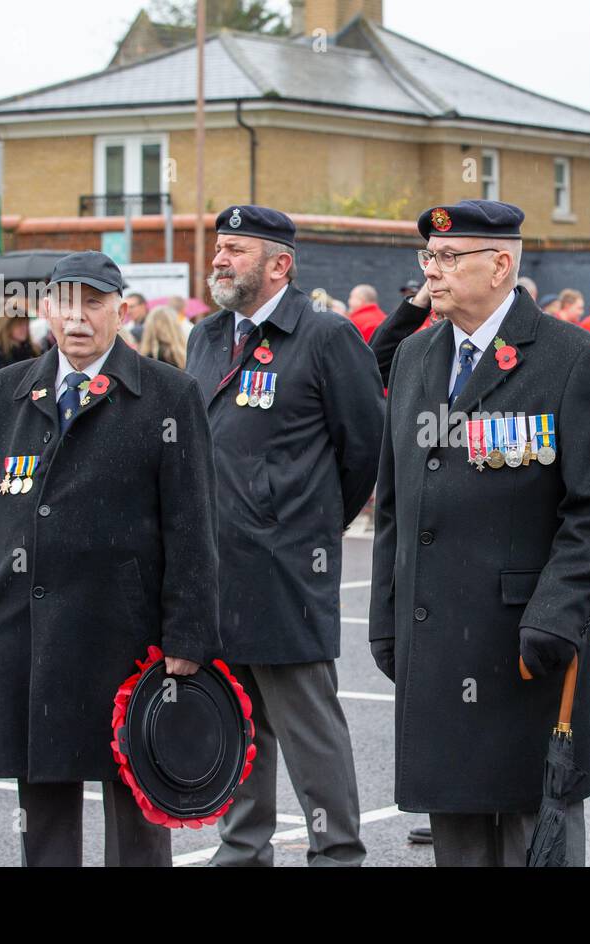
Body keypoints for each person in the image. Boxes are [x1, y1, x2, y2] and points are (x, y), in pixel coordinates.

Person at [369, 199, 590, 866]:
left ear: (501, 264)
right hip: (435, 647)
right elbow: (394, 503)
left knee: (530, 841)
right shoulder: (415, 358)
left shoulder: (572, 359)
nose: (433, 270)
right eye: (429, 256)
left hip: (522, 652)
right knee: (456, 843)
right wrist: (385, 619)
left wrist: (555, 617)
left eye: (449, 258)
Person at [0, 251, 221, 866]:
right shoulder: (4, 394)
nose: (78, 318)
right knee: (42, 805)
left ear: (120, 311)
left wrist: (188, 634)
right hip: (26, 634)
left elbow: (192, 527)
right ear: (46, 308)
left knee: (136, 807)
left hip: (126, 640)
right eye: (65, 303)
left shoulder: (166, 395)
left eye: (94, 303)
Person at [187, 205, 382, 867]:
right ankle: (243, 847)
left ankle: (337, 851)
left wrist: (306, 521)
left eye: (235, 250)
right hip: (216, 561)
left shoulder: (325, 336)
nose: (220, 260)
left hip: (288, 563)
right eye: (219, 248)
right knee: (238, 714)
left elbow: (365, 446)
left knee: (306, 719)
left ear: (280, 265)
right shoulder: (207, 336)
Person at [0, 302, 41, 380]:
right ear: (7, 327)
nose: (24, 328)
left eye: (26, 324)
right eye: (19, 324)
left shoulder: (34, 350)